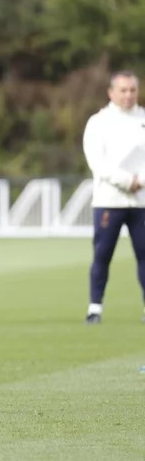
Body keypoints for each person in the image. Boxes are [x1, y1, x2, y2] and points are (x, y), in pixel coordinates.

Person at [81, 70, 145, 325]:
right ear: (111, 92)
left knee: (144, 255)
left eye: (132, 90)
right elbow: (98, 162)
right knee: (102, 254)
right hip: (110, 200)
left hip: (141, 200)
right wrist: (127, 181)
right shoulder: (98, 122)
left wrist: (140, 181)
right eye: (123, 90)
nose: (128, 95)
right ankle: (95, 307)